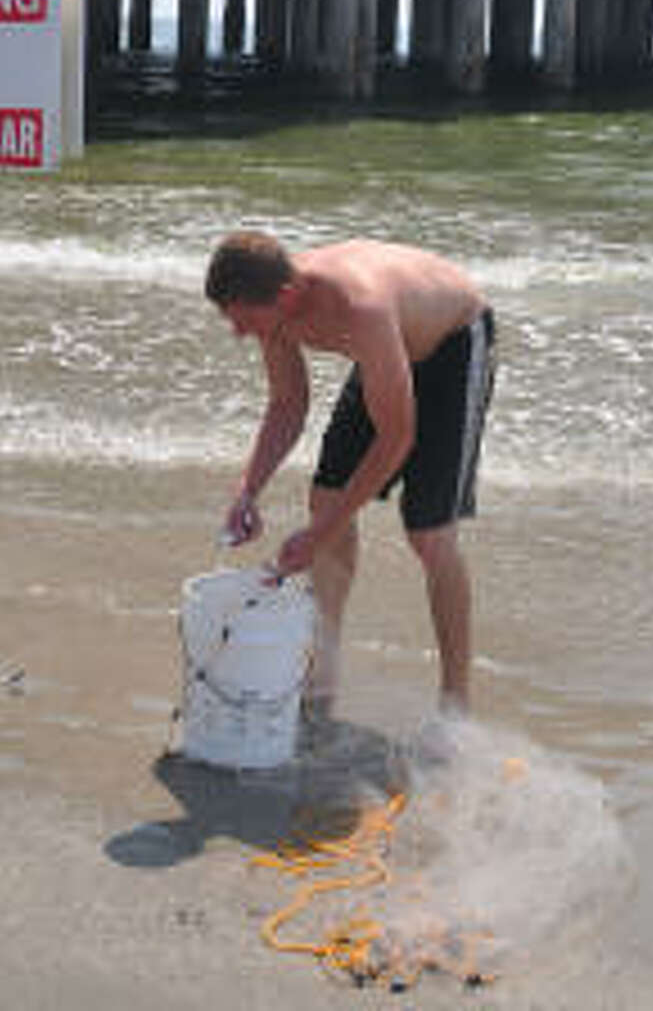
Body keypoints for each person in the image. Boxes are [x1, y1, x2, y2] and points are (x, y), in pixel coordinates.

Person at [205, 230, 495, 715]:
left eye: (246, 321)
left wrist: (320, 534)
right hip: (389, 353)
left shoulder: (360, 308)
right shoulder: (274, 309)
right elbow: (287, 404)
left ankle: (455, 701)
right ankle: (322, 677)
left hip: (453, 344)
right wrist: (247, 491)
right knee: (326, 496)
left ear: (287, 296)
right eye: (232, 321)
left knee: (429, 534)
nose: (239, 333)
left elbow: (396, 437)